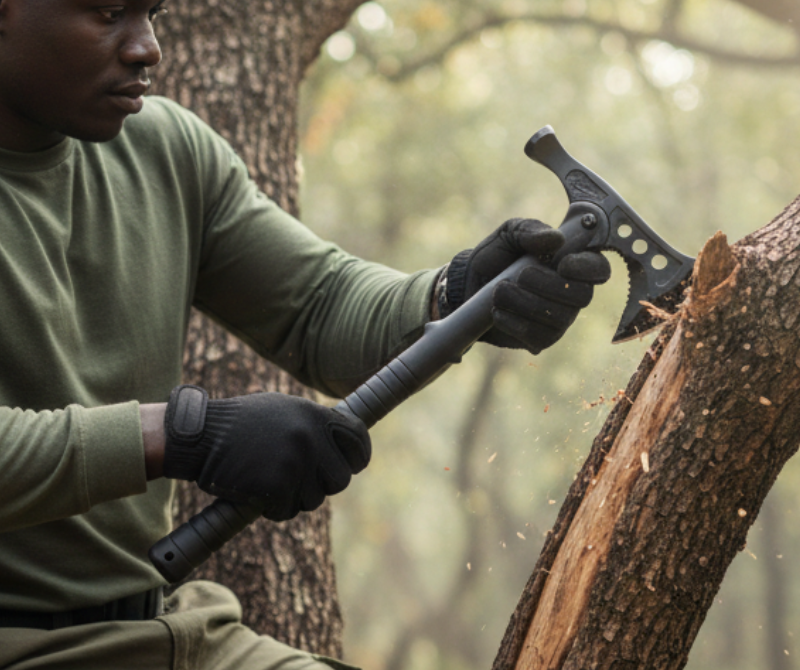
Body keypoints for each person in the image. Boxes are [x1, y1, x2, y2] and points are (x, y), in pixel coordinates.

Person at [0, 0, 611, 668]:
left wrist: (458, 295)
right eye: (111, 12)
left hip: (170, 632)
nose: (147, 48)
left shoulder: (162, 148)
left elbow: (316, 307)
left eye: (151, 12)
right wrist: (181, 435)